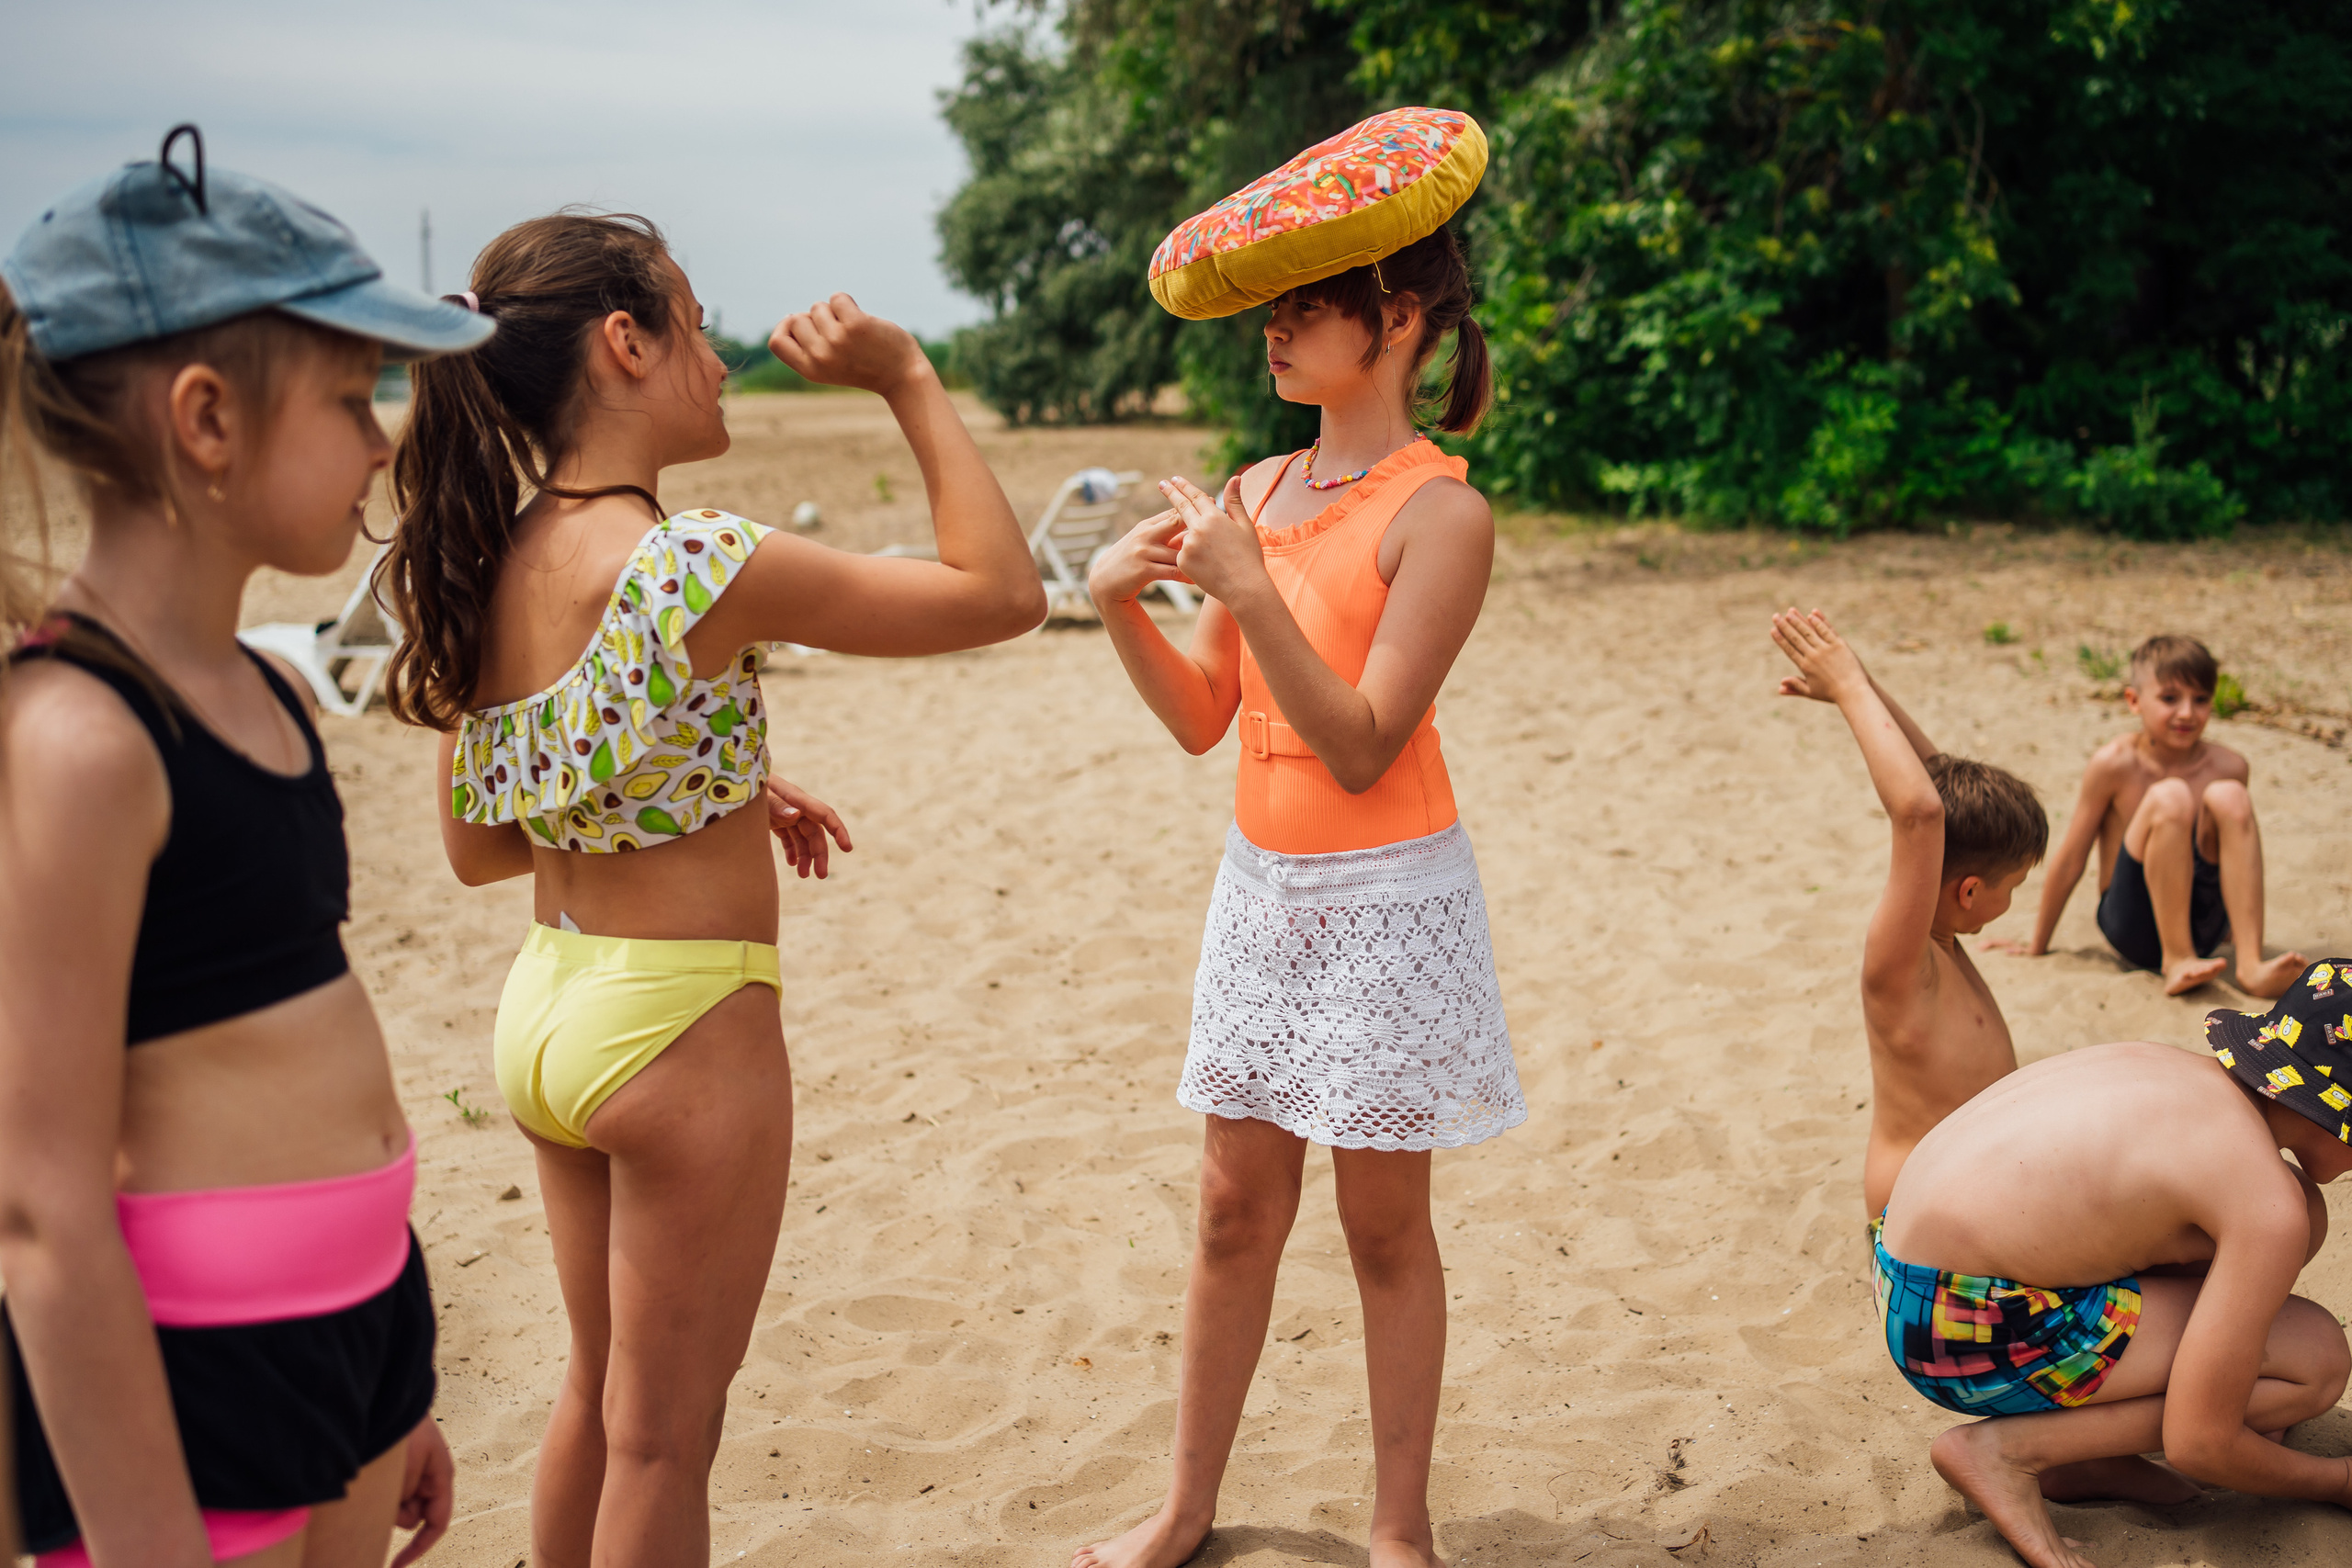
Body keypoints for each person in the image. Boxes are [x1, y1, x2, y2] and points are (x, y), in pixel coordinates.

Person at [379, 211, 1044, 1567]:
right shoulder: (695, 562)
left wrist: (710, 785)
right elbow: (1002, 592)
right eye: (694, 319)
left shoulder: (495, 553)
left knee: (599, 1394)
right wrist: (908, 375)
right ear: (625, 341)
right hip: (680, 1027)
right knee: (666, 1438)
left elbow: (480, 842)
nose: (726, 360)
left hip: (549, 1004)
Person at [0, 128, 481, 1567]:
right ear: (206, 421)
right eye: (351, 396)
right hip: (192, 1390)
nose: (385, 439)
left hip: (349, 1346)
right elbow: (38, 1207)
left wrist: (393, 1381)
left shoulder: (267, 691)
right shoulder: (77, 738)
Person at [1079, 199, 1521, 1568]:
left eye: (1303, 303)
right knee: (1229, 1206)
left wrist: (1250, 583)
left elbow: (1363, 740)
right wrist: (1113, 604)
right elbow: (1211, 711)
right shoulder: (1256, 492)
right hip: (1259, 890)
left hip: (1390, 891)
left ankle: (1401, 1527)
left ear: (1395, 321)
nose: (1272, 327)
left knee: (1384, 1224)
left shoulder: (1444, 512)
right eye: (1269, 306)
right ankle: (1183, 1504)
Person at [1874, 961, 2352, 1568]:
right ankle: (2008, 1452)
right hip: (1959, 1324)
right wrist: (2334, 1479)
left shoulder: (2187, 1075)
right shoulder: (2265, 1204)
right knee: (2315, 1358)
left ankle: (2086, 1456)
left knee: (2294, 1224)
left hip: (1900, 1273)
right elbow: (2199, 1442)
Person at [1770, 608, 2047, 1217]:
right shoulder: (1906, 961)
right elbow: (1922, 810)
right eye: (2016, 885)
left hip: (1976, 1203)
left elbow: (1936, 782)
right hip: (1922, 1231)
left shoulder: (1943, 934)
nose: (2014, 900)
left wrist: (1860, 682)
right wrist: (1847, 689)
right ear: (1970, 891)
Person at [2015, 635, 2302, 998]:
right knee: (2172, 796)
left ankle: (2250, 966)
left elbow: (2234, 853)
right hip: (2131, 924)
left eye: (2200, 700)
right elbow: (2073, 856)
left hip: (2204, 928)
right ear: (2134, 701)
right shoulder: (2114, 764)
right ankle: (2176, 958)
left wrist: (2231, 932)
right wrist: (2037, 944)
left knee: (2230, 795)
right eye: (2170, 699)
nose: (2187, 713)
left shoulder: (2229, 766)